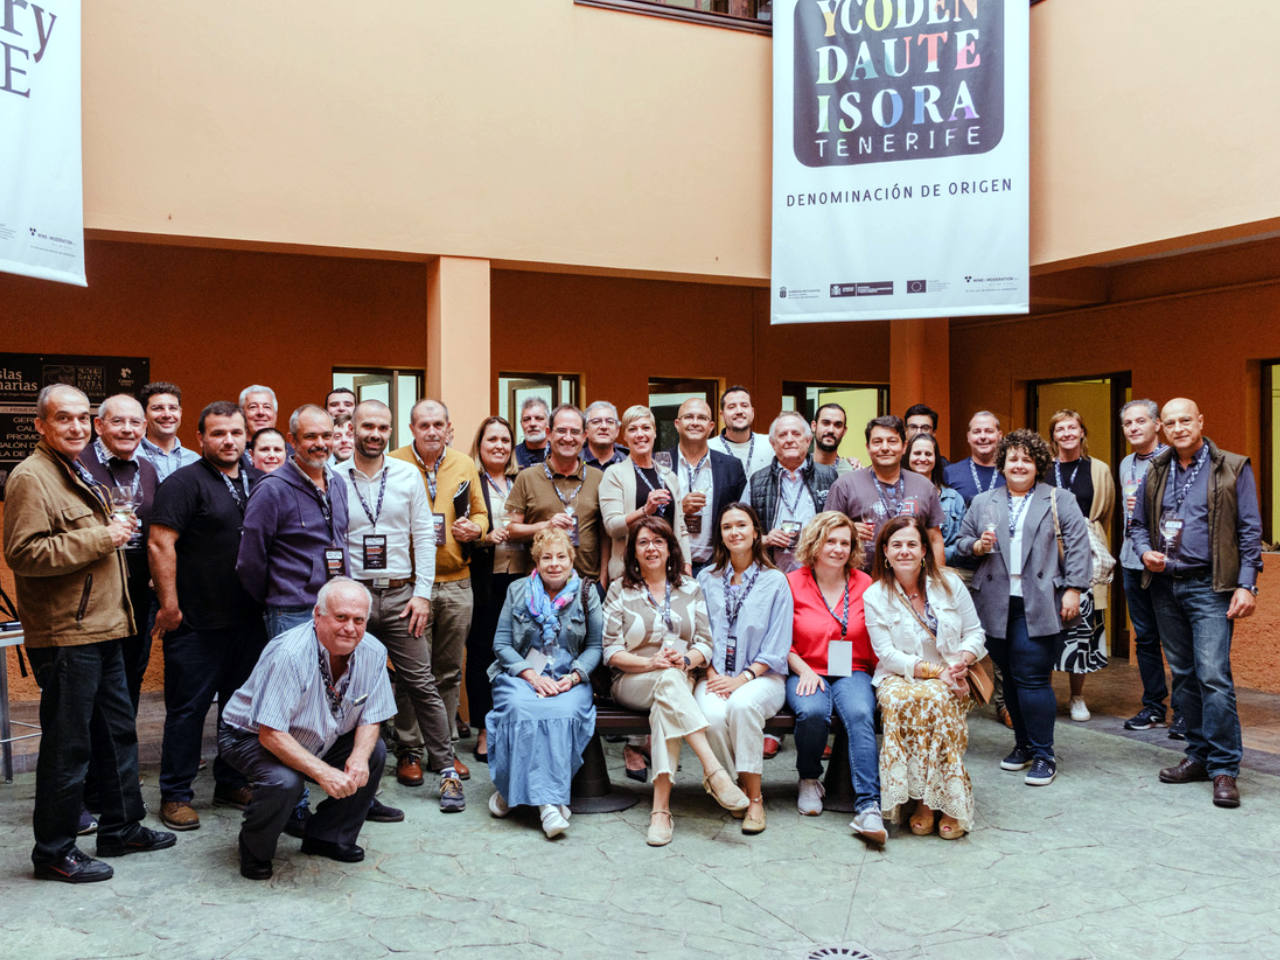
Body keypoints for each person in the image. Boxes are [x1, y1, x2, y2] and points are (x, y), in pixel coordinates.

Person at [3, 384, 175, 883]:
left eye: (83, 418)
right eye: (64, 419)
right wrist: (103, 536)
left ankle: (122, 828)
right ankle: (54, 851)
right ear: (40, 424)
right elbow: (24, 553)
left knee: (117, 731)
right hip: (67, 634)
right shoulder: (31, 477)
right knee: (68, 745)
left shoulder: (73, 469)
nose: (76, 427)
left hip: (106, 626)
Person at [218, 578, 399, 880]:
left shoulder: (374, 651)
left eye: (358, 620)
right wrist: (324, 772)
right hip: (249, 735)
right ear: (318, 615)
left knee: (373, 752)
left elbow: (372, 715)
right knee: (284, 782)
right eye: (341, 617)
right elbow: (270, 733)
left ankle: (328, 837)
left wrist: (357, 757)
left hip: (317, 733)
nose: (350, 628)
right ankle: (255, 850)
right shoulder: (289, 653)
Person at [1131, 398, 1262, 809]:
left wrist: (1247, 585)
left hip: (1211, 586)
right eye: (1170, 423)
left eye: (1185, 420)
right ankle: (1199, 756)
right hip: (1166, 586)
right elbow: (1135, 527)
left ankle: (1224, 768)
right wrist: (1144, 552)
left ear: (1200, 421)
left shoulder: (1233, 467)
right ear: (1162, 429)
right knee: (1184, 676)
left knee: (1213, 676)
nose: (1178, 427)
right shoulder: (1155, 469)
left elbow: (1249, 530)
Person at [148, 401, 268, 832]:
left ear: (246, 436)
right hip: (196, 622)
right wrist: (170, 606)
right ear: (201, 438)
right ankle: (176, 794)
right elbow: (161, 544)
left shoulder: (259, 481)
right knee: (188, 711)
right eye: (218, 433)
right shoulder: (183, 483)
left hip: (249, 621)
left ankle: (231, 781)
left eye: (236, 432)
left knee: (240, 711)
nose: (228, 440)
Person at [343, 399, 464, 814]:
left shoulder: (407, 475)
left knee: (422, 683)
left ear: (391, 431)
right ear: (352, 428)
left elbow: (423, 537)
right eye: (367, 426)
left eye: (382, 427)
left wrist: (422, 594)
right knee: (346, 687)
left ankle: (446, 769)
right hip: (353, 596)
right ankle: (350, 775)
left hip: (400, 596)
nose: (374, 433)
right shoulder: (335, 477)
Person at [956, 428, 1092, 788]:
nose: (1019, 464)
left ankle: (1045, 754)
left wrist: (1074, 589)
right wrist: (977, 547)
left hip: (1042, 599)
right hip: (995, 602)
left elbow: (1078, 548)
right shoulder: (984, 501)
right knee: (1010, 678)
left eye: (1027, 459)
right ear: (1002, 464)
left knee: (1032, 677)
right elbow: (960, 543)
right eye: (1013, 458)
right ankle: (1023, 745)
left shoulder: (1058, 499)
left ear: (1039, 465)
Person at [602, 518, 751, 846]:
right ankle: (714, 770)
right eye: (643, 543)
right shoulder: (619, 589)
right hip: (632, 679)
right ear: (634, 552)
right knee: (669, 683)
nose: (651, 548)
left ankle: (661, 811)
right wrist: (648, 662)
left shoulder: (689, 587)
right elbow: (611, 651)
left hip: (677, 679)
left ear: (671, 548)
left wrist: (685, 660)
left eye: (658, 541)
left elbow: (705, 643)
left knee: (667, 703)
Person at [863, 516, 986, 840]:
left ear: (923, 551)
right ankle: (924, 803)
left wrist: (962, 660)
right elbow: (887, 654)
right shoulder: (874, 594)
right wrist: (936, 672)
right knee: (905, 700)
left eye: (911, 544)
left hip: (952, 675)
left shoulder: (950, 583)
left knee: (938, 700)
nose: (904, 551)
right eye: (897, 545)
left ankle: (945, 803)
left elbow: (975, 633)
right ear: (885, 552)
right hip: (898, 676)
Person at [389, 398, 487, 789]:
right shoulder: (395, 463)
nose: (432, 431)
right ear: (412, 429)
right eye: (424, 425)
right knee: (414, 673)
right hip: (412, 587)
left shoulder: (463, 464)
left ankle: (441, 749)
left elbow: (481, 514)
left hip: (458, 581)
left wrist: (476, 529)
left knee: (448, 671)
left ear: (449, 428)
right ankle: (409, 750)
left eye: (438, 425)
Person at [486, 528, 601, 839]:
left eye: (561, 556)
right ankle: (549, 805)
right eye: (547, 557)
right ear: (536, 561)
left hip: (568, 679)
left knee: (560, 713)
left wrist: (574, 676)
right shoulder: (518, 590)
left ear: (571, 559)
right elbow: (502, 643)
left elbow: (595, 647)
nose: (554, 563)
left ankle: (511, 793)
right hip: (522, 675)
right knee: (521, 709)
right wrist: (530, 675)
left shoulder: (587, 593)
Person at [784, 511, 885, 844]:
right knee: (812, 712)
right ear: (815, 543)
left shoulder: (864, 583)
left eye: (845, 542)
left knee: (859, 714)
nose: (839, 549)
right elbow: (777, 640)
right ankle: (809, 778)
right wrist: (804, 670)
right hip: (805, 666)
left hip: (851, 668)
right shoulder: (792, 582)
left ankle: (869, 805)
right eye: (831, 541)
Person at [694, 503, 791, 834]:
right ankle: (730, 787)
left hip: (762, 676)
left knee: (742, 705)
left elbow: (778, 646)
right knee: (713, 715)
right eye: (726, 527)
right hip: (714, 674)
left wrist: (742, 679)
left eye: (741, 525)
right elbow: (698, 634)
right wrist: (711, 676)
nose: (734, 532)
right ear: (720, 536)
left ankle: (754, 799)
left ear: (755, 531)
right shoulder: (706, 579)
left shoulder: (775, 581)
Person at [237, 404, 349, 640]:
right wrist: (277, 596)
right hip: (291, 612)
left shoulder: (338, 483)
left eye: (326, 436)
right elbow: (250, 561)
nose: (320, 443)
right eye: (310, 436)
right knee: (294, 678)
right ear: (293, 440)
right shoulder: (272, 489)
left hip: (336, 608)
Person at [77, 394, 159, 712]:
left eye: (135, 422)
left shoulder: (149, 470)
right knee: (94, 682)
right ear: (99, 426)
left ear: (144, 428)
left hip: (138, 590)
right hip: (94, 589)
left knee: (131, 672)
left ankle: (123, 754)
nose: (127, 429)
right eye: (117, 421)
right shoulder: (79, 464)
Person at [466, 416, 532, 764]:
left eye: (505, 440)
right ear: (480, 444)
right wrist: (483, 538)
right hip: (484, 579)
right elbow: (457, 530)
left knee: (519, 652)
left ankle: (514, 724)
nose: (499, 446)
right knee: (482, 653)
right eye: (492, 439)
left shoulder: (522, 481)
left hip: (521, 580)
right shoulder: (470, 483)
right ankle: (484, 729)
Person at [1047, 408, 1116, 722]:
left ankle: (1077, 696)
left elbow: (1107, 513)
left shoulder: (1098, 469)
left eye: (1072, 428)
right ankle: (1044, 693)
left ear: (1082, 432)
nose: (1066, 434)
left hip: (1086, 551)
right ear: (1053, 436)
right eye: (1060, 429)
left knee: (1083, 627)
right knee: (1045, 623)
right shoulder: (1044, 468)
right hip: (1048, 552)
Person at [1115, 400, 1178, 734]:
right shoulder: (1126, 463)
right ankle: (1154, 706)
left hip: (1164, 562)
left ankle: (1183, 712)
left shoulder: (1173, 460)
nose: (1134, 428)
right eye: (1128, 423)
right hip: (1131, 560)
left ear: (1157, 425)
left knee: (1177, 639)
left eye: (1141, 421)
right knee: (1145, 638)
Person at [827, 415, 947, 573]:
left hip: (914, 579)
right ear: (868, 447)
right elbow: (826, 534)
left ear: (904, 447)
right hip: (860, 581)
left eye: (892, 441)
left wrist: (938, 582)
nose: (885, 447)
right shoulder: (845, 485)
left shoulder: (924, 486)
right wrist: (847, 529)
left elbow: (934, 539)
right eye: (877, 442)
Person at [506, 404, 604, 588]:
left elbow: (605, 535)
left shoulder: (598, 478)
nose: (568, 438)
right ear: (549, 433)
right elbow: (510, 530)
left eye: (575, 431)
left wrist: (603, 581)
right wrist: (545, 526)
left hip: (588, 586)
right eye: (561, 431)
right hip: (539, 589)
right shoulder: (526, 477)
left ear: (584, 436)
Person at [600, 404, 692, 584]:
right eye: (632, 429)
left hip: (669, 571)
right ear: (624, 436)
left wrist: (686, 564)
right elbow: (612, 527)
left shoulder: (669, 476)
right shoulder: (614, 474)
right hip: (629, 574)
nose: (640, 434)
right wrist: (645, 510)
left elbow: (681, 527)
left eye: (645, 428)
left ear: (655, 432)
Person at [663, 397, 746, 578]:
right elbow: (650, 517)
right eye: (688, 417)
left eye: (701, 418)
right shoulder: (660, 464)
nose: (695, 422)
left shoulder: (731, 467)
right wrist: (679, 509)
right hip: (670, 564)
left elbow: (743, 517)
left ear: (711, 426)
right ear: (677, 424)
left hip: (718, 566)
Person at [750, 411, 838, 573]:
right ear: (773, 443)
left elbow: (841, 525)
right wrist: (766, 539)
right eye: (783, 435)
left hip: (818, 573)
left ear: (808, 440)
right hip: (771, 574)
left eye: (796, 434)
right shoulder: (756, 481)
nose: (790, 439)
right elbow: (742, 531)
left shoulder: (829, 476)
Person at [905, 432, 965, 565]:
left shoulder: (953, 499)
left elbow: (962, 545)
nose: (922, 458)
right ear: (908, 456)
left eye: (928, 454)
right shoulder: (896, 495)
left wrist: (932, 554)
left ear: (935, 459)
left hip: (943, 571)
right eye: (917, 453)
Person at [138, 381, 200, 481]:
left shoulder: (194, 460)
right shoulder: (131, 458)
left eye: (172, 408)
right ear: (144, 415)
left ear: (180, 413)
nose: (167, 414)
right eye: (158, 408)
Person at [710, 385, 774, 478]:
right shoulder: (709, 449)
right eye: (731, 407)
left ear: (752, 412)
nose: (739, 411)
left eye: (744, 406)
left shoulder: (771, 444)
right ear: (722, 414)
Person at [944, 411, 1005, 505]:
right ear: (968, 437)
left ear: (1000, 435)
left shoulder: (1011, 473)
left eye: (989, 431)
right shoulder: (949, 473)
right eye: (977, 432)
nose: (983, 436)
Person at [811, 402, 857, 475]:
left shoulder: (852, 474)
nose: (831, 430)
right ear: (814, 426)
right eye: (825, 423)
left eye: (838, 425)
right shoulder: (798, 469)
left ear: (844, 431)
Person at [583, 400, 629, 470]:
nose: (604, 426)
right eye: (596, 422)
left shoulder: (629, 463)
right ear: (586, 429)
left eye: (610, 422)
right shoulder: (574, 461)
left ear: (617, 430)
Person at [514, 396, 551, 468]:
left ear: (548, 423)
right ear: (521, 424)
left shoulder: (559, 454)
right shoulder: (512, 456)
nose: (532, 424)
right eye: (526, 419)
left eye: (538, 418)